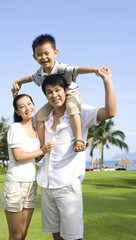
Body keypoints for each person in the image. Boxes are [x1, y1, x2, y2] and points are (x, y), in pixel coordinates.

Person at [36, 66, 116, 240]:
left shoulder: (80, 112)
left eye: (57, 90)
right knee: (56, 235)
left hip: (67, 185)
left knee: (73, 236)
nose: (54, 95)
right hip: (46, 184)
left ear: (66, 91)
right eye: (49, 92)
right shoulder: (44, 119)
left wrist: (106, 81)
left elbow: (110, 112)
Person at [12, 34, 99, 152]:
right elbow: (31, 78)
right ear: (34, 57)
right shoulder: (40, 72)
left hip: (71, 94)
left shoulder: (62, 68)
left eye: (47, 53)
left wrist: (95, 70)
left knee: (71, 107)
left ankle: (78, 139)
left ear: (55, 52)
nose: (43, 57)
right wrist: (19, 81)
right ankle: (42, 146)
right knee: (39, 116)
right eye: (39, 55)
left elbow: (78, 69)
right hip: (55, 99)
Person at [1, 94, 54, 240]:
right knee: (16, 235)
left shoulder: (36, 131)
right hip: (15, 185)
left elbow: (35, 157)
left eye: (29, 104)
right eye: (22, 107)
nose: (27, 108)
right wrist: (42, 150)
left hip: (31, 184)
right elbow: (18, 156)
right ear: (17, 112)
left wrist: (44, 152)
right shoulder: (15, 128)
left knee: (23, 233)